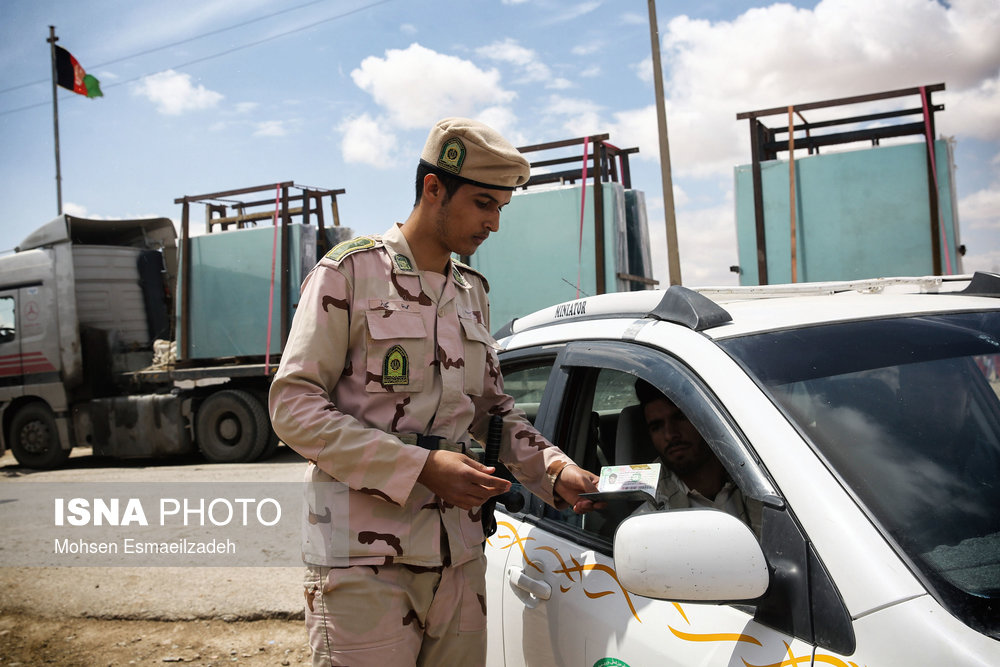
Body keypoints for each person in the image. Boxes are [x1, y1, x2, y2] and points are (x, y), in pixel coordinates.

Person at [269, 117, 600, 667]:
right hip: (365, 562)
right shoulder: (350, 274)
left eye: (501, 209)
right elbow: (293, 407)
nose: (494, 223)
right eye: (483, 204)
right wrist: (420, 466)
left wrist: (554, 469)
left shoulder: (471, 292)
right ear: (433, 188)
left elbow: (492, 410)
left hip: (459, 561)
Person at [631, 380, 758, 532]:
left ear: (707, 419)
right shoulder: (649, 514)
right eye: (657, 426)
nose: (670, 434)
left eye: (680, 417)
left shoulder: (762, 480)